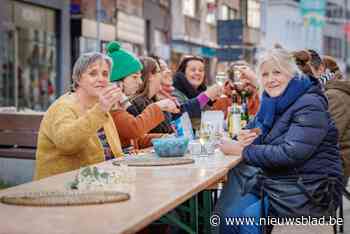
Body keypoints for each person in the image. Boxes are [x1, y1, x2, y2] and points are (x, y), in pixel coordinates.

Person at [218, 47, 343, 234]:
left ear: (291, 74)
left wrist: (242, 151)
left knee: (244, 219)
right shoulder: (274, 101)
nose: (271, 79)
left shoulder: (309, 103)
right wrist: (249, 137)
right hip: (279, 180)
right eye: (265, 74)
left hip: (307, 189)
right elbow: (268, 134)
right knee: (226, 215)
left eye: (277, 72)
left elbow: (290, 153)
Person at [34, 52, 124, 180]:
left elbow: (115, 151)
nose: (101, 79)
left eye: (105, 74)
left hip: (99, 181)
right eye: (93, 73)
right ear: (77, 78)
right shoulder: (64, 106)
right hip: (61, 186)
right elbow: (66, 143)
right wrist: (101, 109)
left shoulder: (100, 106)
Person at [106, 42, 179, 149]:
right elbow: (134, 129)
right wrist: (158, 106)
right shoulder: (111, 106)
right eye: (135, 77)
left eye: (140, 77)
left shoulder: (121, 103)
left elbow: (136, 140)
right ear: (117, 82)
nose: (140, 82)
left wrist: (164, 138)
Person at [294, 50, 350, 186]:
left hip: (336, 162)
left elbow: (324, 139)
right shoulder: (322, 92)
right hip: (328, 157)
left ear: (321, 69)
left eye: (306, 74)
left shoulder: (332, 96)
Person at [128, 56, 222, 134]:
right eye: (161, 70)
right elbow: (182, 112)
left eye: (201, 70)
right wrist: (206, 96)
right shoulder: (139, 103)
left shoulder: (156, 98)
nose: (167, 72)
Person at [172, 55, 213, 130]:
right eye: (193, 70)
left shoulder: (202, 92)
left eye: (201, 70)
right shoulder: (175, 93)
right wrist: (205, 97)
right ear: (183, 73)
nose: (197, 73)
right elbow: (182, 114)